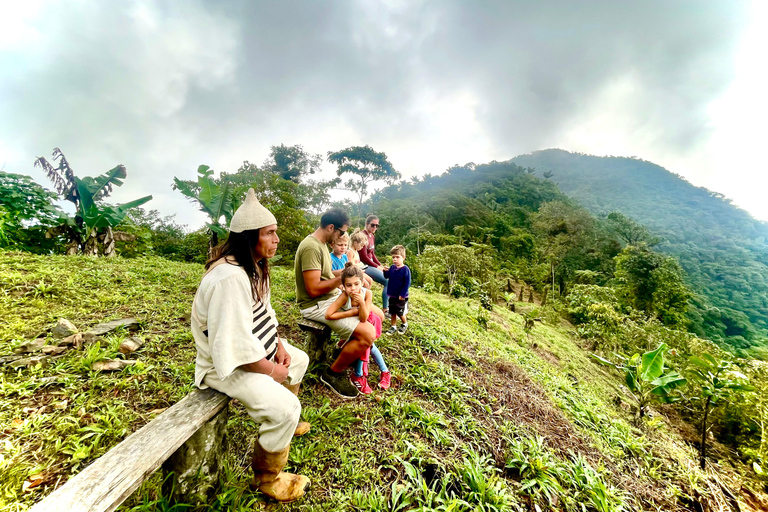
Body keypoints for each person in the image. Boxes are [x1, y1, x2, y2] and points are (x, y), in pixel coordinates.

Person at [191, 189, 311, 503]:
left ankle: (284, 425)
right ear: (249, 237)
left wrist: (279, 344)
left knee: (298, 360)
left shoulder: (254, 266)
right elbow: (231, 345)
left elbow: (264, 313)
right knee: (287, 408)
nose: (277, 239)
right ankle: (268, 478)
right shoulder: (229, 278)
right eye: (269, 233)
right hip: (224, 365)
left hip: (252, 348)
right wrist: (271, 370)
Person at [294, 208, 377, 398]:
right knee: (368, 334)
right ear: (331, 227)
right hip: (315, 304)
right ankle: (332, 373)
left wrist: (351, 273)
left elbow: (326, 275)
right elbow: (313, 289)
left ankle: (343, 352)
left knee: (376, 314)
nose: (342, 236)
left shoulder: (321, 244)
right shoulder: (311, 247)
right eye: (341, 232)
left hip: (329, 297)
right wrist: (343, 280)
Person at [325, 263, 391, 394]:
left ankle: (370, 373)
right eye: (349, 285)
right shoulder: (344, 296)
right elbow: (329, 314)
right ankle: (367, 373)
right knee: (367, 346)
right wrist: (350, 313)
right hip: (359, 321)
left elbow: (364, 318)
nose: (353, 289)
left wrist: (361, 303)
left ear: (362, 282)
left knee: (368, 346)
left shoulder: (367, 294)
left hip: (369, 320)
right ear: (343, 286)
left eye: (356, 284)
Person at [358, 214, 389, 313]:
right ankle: (386, 309)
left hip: (371, 264)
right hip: (364, 265)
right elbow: (364, 257)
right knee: (387, 281)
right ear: (366, 224)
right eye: (372, 225)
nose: (375, 227)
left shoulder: (372, 236)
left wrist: (380, 265)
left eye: (377, 225)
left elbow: (372, 254)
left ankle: (388, 306)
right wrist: (377, 267)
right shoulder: (362, 236)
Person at [383, 245, 411, 335]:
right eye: (393, 257)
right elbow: (387, 276)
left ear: (403, 257)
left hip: (401, 296)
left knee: (400, 312)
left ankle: (404, 323)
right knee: (392, 311)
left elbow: (407, 283)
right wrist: (385, 271)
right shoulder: (392, 267)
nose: (395, 259)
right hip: (392, 295)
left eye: (397, 257)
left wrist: (402, 294)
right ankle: (393, 326)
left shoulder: (405, 270)